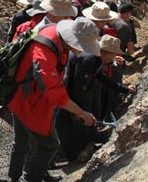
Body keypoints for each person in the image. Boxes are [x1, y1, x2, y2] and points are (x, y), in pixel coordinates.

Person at [8, 20, 96, 182]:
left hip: (22, 97)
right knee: (49, 144)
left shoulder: (54, 34)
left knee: (22, 141)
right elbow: (54, 91)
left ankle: (16, 177)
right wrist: (81, 113)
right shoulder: (45, 51)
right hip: (30, 103)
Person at [56, 34, 135, 162]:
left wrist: (124, 89)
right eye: (113, 54)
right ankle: (62, 158)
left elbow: (102, 78)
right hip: (62, 98)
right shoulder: (89, 59)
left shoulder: (95, 58)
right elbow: (78, 88)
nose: (114, 58)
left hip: (67, 96)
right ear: (106, 53)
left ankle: (79, 149)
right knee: (66, 131)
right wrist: (79, 112)